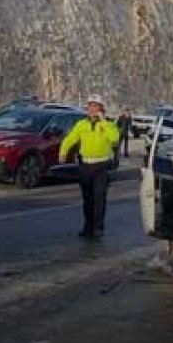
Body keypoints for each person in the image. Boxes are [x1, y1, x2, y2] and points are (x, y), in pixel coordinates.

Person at [59, 95, 120, 239]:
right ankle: (88, 226)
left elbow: (114, 138)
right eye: (90, 106)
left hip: (102, 166)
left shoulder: (108, 124)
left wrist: (104, 122)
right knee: (88, 199)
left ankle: (98, 227)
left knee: (99, 198)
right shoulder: (81, 124)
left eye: (95, 106)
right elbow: (70, 138)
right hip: (85, 165)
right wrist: (63, 151)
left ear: (101, 108)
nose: (92, 109)